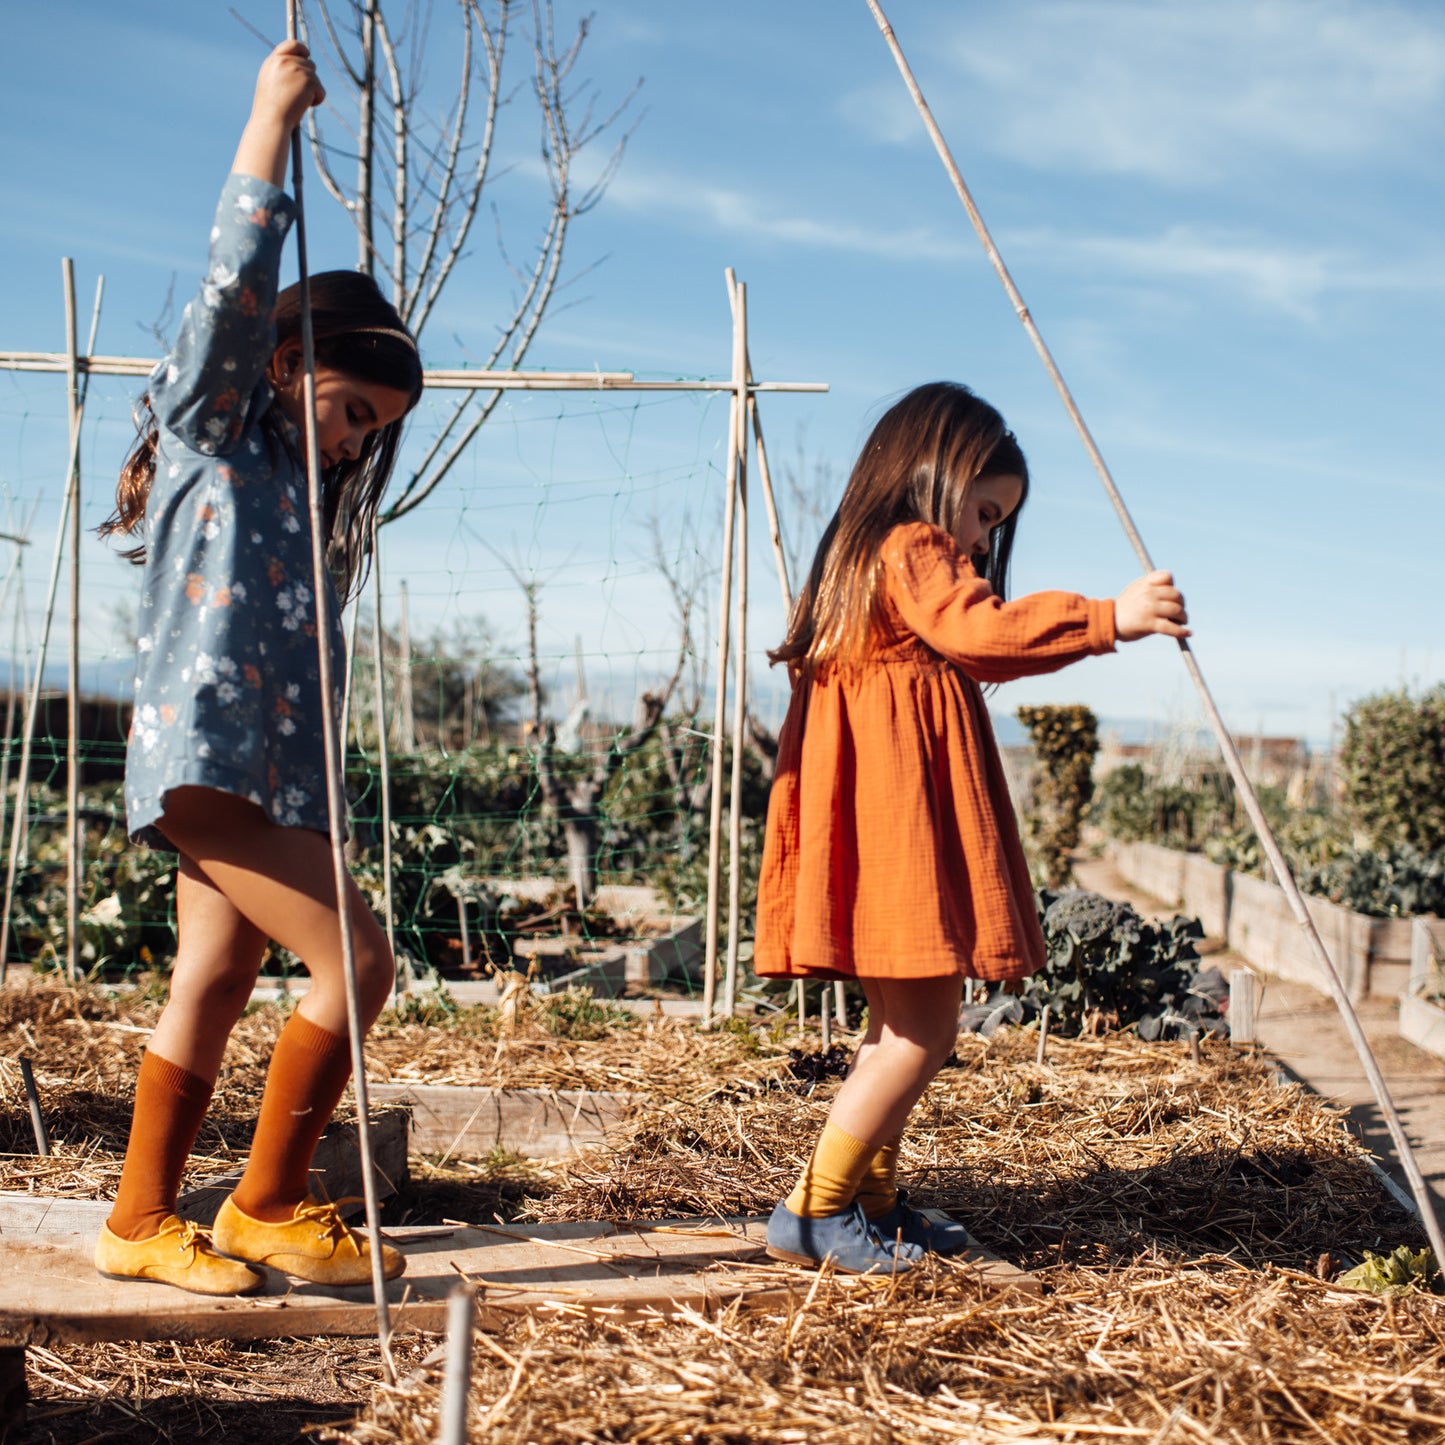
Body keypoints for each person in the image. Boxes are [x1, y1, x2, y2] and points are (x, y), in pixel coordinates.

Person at [93, 40, 424, 1295]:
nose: (353, 445)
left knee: (218, 973)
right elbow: (237, 280)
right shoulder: (214, 427)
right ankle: (269, 1200)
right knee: (362, 959)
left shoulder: (290, 488)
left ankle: (138, 1222)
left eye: (372, 435)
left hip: (260, 776)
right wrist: (270, 123)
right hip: (205, 761)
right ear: (284, 363)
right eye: (349, 411)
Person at [754, 382, 1188, 1273]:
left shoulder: (861, 560)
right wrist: (1110, 619)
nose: (983, 540)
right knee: (923, 1032)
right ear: (931, 470)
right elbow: (982, 630)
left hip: (876, 839)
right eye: (983, 512)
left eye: (995, 524)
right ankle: (814, 1210)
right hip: (897, 838)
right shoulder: (911, 545)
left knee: (897, 1027)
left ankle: (868, 1200)